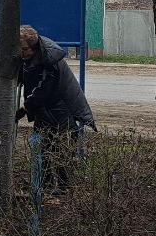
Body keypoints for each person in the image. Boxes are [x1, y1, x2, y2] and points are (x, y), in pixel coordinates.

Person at [15, 26, 96, 195]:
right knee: (45, 150)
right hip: (46, 112)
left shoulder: (48, 62)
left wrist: (24, 109)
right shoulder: (33, 56)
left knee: (60, 151)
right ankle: (46, 185)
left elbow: (41, 92)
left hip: (59, 113)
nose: (22, 53)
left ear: (34, 46)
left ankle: (64, 190)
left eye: (24, 49)